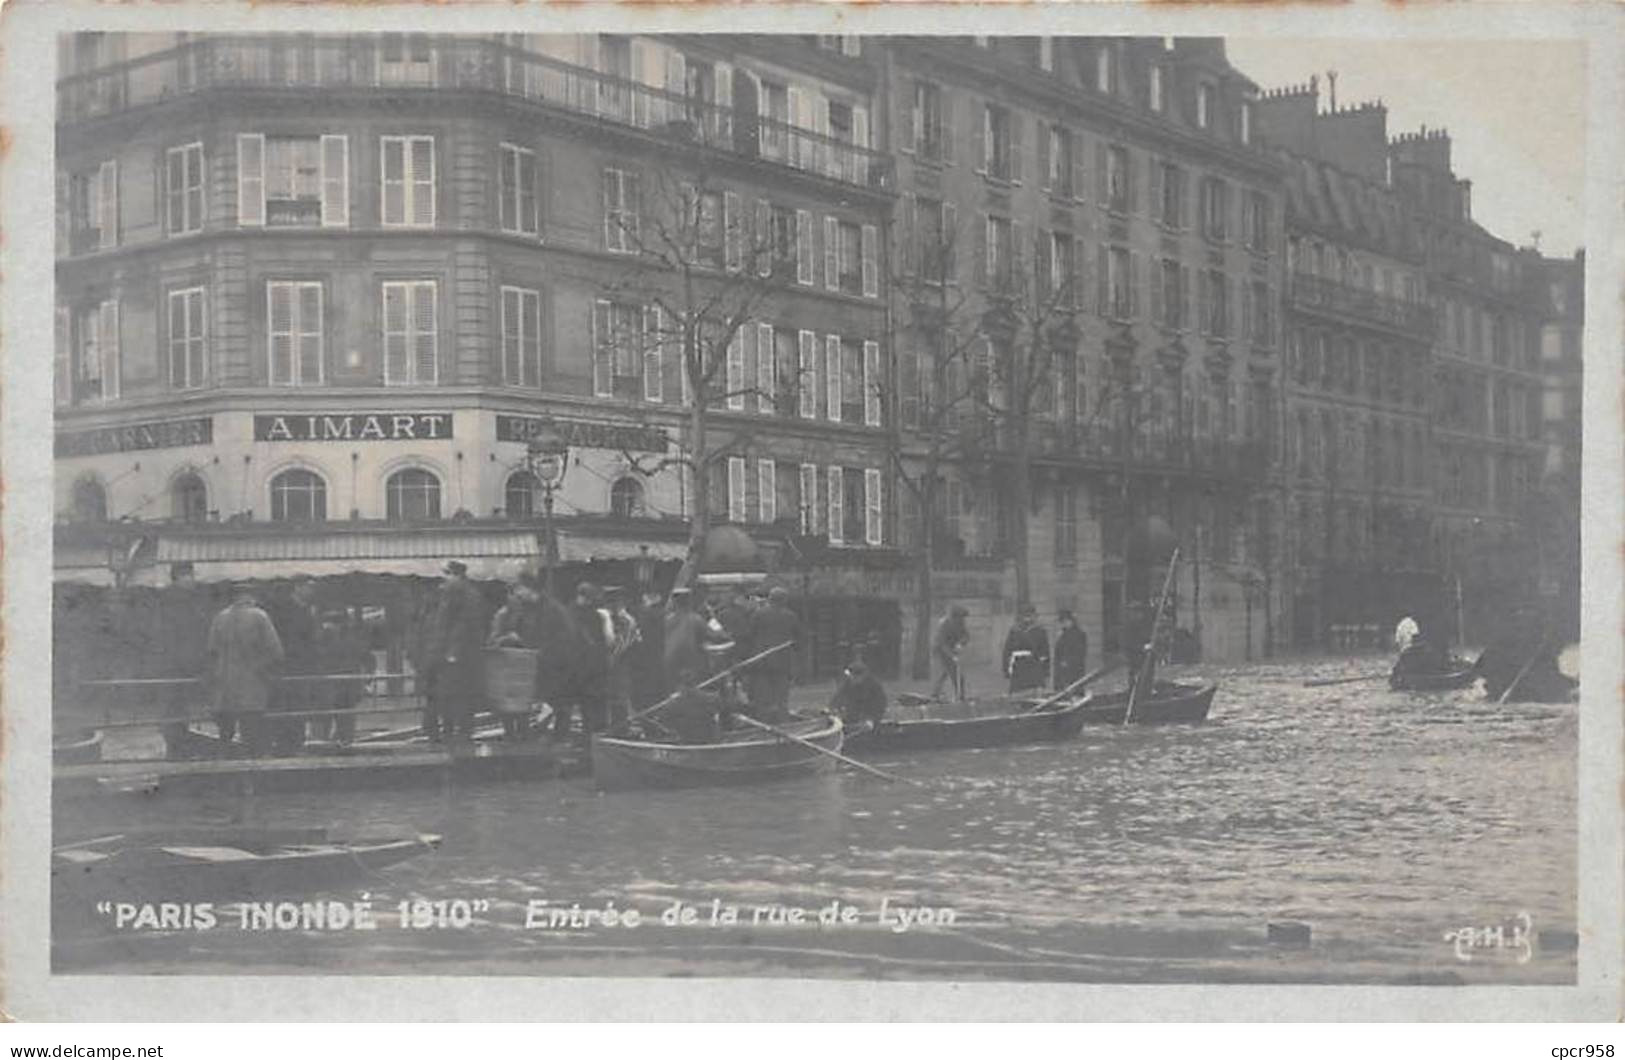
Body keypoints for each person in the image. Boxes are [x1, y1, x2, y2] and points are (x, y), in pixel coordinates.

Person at [206, 584, 285, 755]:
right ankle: (253, 764)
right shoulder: (260, 616)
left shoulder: (220, 617)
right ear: (249, 595)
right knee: (252, 730)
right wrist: (264, 668)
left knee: (226, 732)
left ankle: (227, 764)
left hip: (225, 684)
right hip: (252, 681)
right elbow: (276, 650)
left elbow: (211, 649)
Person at [423, 560, 488, 742]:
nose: (445, 579)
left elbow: (464, 626)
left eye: (448, 574)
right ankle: (450, 732)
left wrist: (452, 651)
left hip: (460, 657)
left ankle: (460, 733)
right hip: (447, 655)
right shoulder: (451, 594)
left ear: (457, 575)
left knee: (459, 696)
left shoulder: (467, 596)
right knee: (446, 696)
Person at [552, 581, 611, 739]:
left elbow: (599, 643)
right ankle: (565, 740)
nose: (589, 602)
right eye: (588, 598)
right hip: (574, 669)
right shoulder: (569, 615)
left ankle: (586, 742)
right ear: (581, 596)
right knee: (567, 710)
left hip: (587, 670)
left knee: (585, 711)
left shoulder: (590, 615)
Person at [746, 586, 800, 721]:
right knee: (781, 699)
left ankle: (763, 725)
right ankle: (782, 723)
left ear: (770, 599)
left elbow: (749, 635)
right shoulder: (791, 616)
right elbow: (798, 639)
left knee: (762, 699)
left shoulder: (759, 614)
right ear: (784, 601)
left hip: (762, 662)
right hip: (782, 663)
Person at [603, 586, 641, 733]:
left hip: (621, 664)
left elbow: (622, 645)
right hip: (607, 664)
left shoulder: (627, 621)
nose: (610, 606)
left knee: (620, 698)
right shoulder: (606, 618)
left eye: (613, 602)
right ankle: (611, 728)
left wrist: (609, 660)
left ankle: (620, 730)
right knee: (608, 698)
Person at [663, 588, 710, 690]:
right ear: (689, 601)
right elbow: (707, 637)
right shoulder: (696, 619)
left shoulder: (667, 620)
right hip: (691, 663)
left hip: (670, 662)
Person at [1003, 604, 1050, 694]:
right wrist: (1006, 669)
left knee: (1034, 692)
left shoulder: (1040, 631)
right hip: (1018, 666)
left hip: (1034, 666)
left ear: (1034, 617)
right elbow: (1007, 650)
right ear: (1021, 617)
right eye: (1025, 616)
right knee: (1018, 692)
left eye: (1030, 616)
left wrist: (1045, 670)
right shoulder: (1014, 631)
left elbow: (1045, 652)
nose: (1027, 618)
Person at [832, 658, 888, 731]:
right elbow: (838, 697)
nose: (852, 678)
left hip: (867, 720)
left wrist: (871, 719)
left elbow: (880, 706)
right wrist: (832, 708)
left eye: (854, 676)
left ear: (862, 675)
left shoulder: (874, 687)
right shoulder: (848, 684)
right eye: (851, 676)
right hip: (851, 717)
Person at [930, 604, 970, 702]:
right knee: (941, 673)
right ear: (953, 616)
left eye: (962, 618)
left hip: (951, 650)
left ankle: (960, 696)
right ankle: (934, 696)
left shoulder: (960, 623)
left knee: (958, 675)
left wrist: (961, 644)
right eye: (959, 618)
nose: (961, 620)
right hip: (940, 652)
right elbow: (942, 644)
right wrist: (952, 656)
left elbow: (966, 636)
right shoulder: (943, 625)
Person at [1052, 609, 1088, 691]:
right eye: (1062, 622)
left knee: (1074, 689)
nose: (1063, 624)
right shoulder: (1062, 634)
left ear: (1071, 621)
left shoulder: (1079, 634)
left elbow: (1080, 653)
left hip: (1073, 670)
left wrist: (1068, 661)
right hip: (1061, 670)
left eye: (1065, 621)